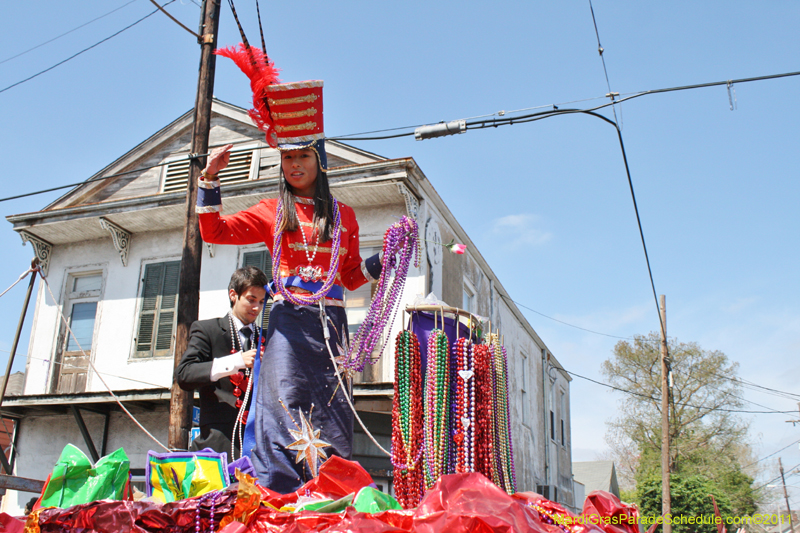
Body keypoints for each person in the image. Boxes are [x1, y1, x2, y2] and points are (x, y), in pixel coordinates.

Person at [195, 71, 382, 492]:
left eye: (303, 157)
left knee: (333, 409)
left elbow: (351, 278)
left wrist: (385, 257)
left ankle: (332, 491)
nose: (295, 165)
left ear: (321, 161)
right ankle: (277, 490)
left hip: (330, 326)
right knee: (282, 404)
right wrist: (209, 180)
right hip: (286, 324)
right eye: (287, 158)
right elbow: (214, 232)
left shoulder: (344, 216)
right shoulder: (270, 212)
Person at [176, 266, 268, 459]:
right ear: (233, 295)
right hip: (218, 444)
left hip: (261, 445)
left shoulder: (268, 337)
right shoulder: (208, 329)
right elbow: (185, 374)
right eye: (251, 300)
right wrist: (235, 362)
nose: (256, 308)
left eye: (261, 302)